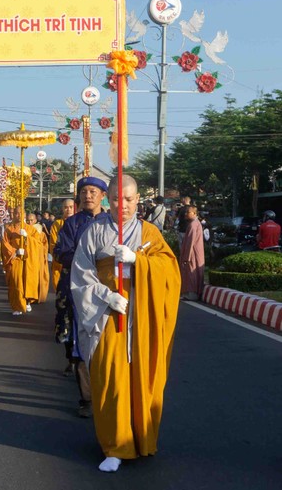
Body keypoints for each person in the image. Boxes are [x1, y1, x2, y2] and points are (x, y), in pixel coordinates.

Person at [70, 175, 181, 473]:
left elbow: (170, 271)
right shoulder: (94, 232)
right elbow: (80, 277)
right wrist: (106, 296)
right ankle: (115, 445)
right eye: (119, 199)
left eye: (130, 200)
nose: (125, 205)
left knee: (142, 377)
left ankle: (143, 439)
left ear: (137, 200)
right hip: (107, 316)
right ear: (110, 200)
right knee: (112, 378)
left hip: (141, 315)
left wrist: (138, 261)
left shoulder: (150, 232)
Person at [54, 176, 107, 417]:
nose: (88, 195)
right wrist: (86, 262)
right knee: (77, 343)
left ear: (103, 195)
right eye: (84, 191)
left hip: (106, 292)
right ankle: (86, 398)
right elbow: (61, 252)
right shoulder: (71, 224)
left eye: (93, 191)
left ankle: (109, 395)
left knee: (106, 344)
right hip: (76, 291)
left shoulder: (112, 223)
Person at [0, 207, 34, 315]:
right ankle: (17, 306)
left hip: (28, 260)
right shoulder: (9, 229)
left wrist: (28, 238)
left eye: (21, 213)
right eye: (16, 213)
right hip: (15, 260)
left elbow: (39, 244)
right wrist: (15, 251)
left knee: (27, 282)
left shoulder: (30, 229)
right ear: (13, 214)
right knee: (16, 282)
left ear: (24, 214)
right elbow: (5, 244)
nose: (18, 215)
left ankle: (27, 301)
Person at [179, 206, 205, 301]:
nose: (186, 214)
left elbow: (190, 243)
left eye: (188, 212)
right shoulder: (195, 224)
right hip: (195, 253)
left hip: (192, 254)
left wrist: (187, 257)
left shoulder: (193, 225)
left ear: (194, 213)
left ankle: (191, 294)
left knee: (190, 273)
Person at [50, 199, 74, 290]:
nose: (68, 210)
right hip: (60, 262)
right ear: (62, 209)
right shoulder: (57, 224)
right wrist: (59, 257)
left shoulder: (79, 222)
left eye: (71, 207)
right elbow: (53, 243)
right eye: (66, 207)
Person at [26, 211, 49, 304]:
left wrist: (29, 240)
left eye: (31, 220)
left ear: (35, 220)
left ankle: (37, 295)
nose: (30, 223)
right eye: (28, 221)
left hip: (37, 258)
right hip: (27, 258)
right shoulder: (24, 230)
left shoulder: (40, 233)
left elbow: (44, 246)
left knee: (38, 277)